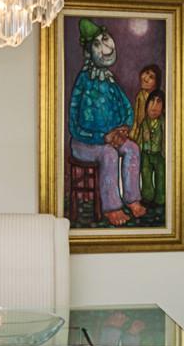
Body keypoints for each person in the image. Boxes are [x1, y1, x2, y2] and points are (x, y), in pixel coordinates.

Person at [67, 19, 146, 226]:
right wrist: (102, 137)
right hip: (85, 144)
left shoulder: (110, 81)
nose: (105, 46)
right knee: (109, 154)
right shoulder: (83, 82)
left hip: (113, 138)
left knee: (132, 149)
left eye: (105, 39)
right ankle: (112, 207)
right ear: (88, 52)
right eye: (97, 44)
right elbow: (74, 126)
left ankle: (132, 198)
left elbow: (126, 107)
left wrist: (124, 128)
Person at [137, 89, 166, 209]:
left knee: (161, 176)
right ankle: (147, 197)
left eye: (159, 102)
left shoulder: (163, 123)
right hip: (146, 154)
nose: (154, 106)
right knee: (146, 175)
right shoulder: (144, 122)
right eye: (152, 102)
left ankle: (160, 198)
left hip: (159, 154)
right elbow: (139, 138)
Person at [131, 64, 162, 142]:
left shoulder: (158, 99)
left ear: (156, 83)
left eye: (151, 77)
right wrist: (132, 138)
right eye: (147, 72)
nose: (146, 78)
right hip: (139, 136)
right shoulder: (141, 95)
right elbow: (136, 122)